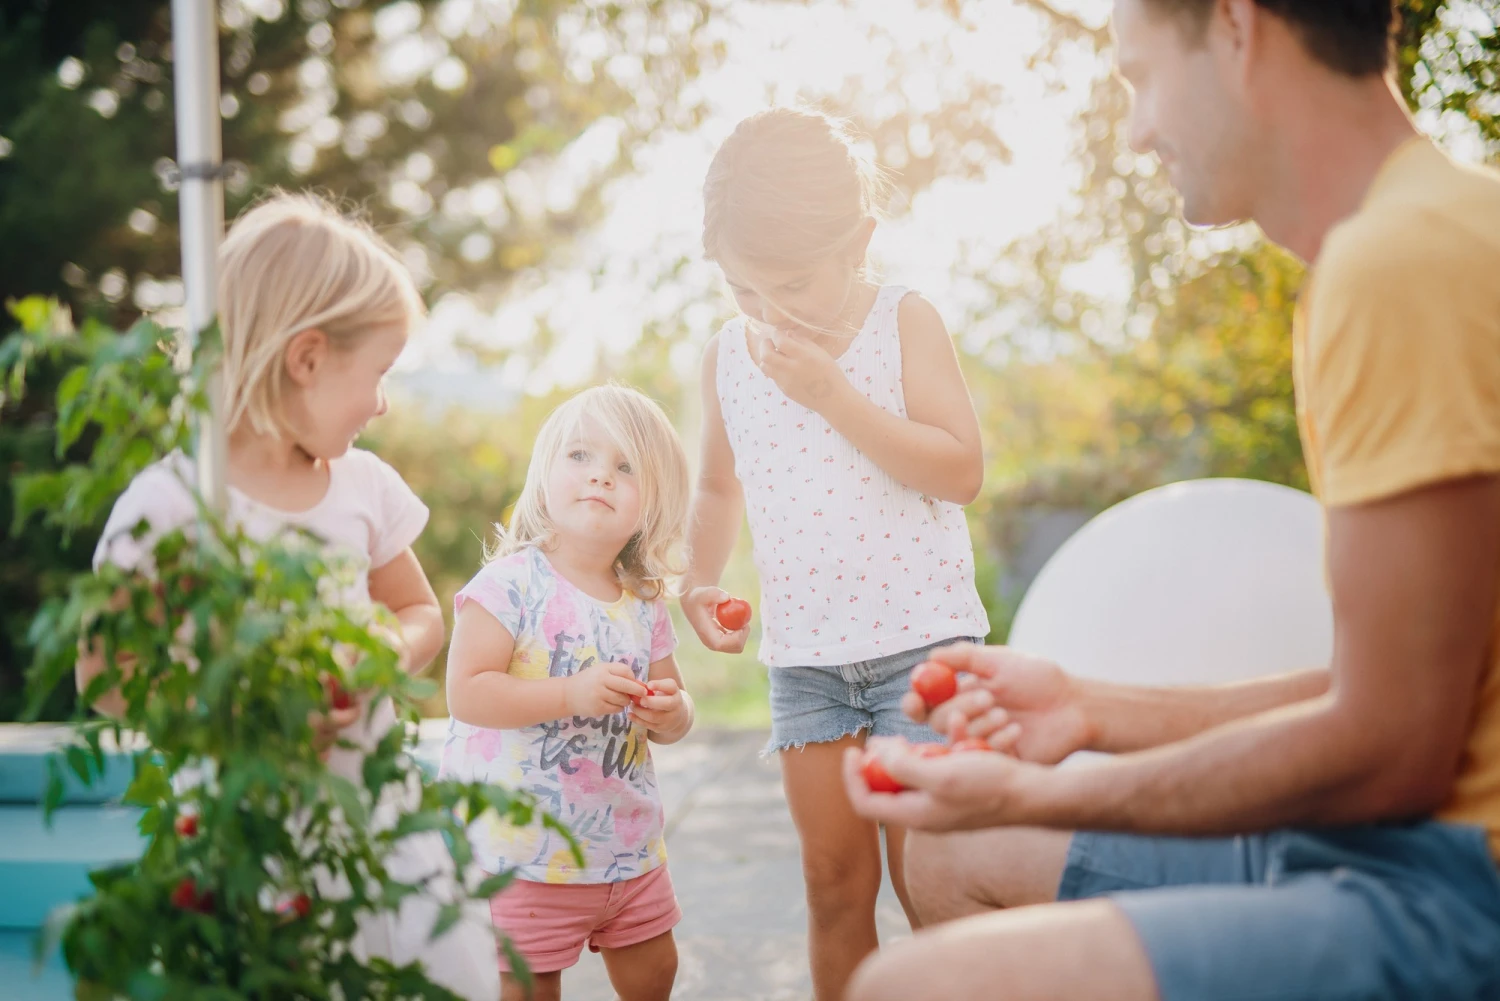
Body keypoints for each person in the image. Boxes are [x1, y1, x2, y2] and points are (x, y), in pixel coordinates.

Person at [840, 2, 1500, 1000]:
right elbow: (1416, 687)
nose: (1139, 127)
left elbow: (1390, 751)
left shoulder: (1396, 267)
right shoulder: (1432, 228)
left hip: (1450, 886)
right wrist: (1085, 707)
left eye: (1141, 76)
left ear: (1236, 29)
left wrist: (1040, 786)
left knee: (908, 985)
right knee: (945, 853)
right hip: (1402, 834)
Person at [80, 192, 498, 998]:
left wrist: (380, 652)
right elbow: (103, 673)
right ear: (306, 358)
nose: (382, 401)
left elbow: (420, 614)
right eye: (376, 373)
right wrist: (234, 710)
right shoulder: (171, 504)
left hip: (378, 820)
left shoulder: (363, 486)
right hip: (249, 834)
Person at [680, 106, 991, 1000]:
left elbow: (960, 469)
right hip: (807, 662)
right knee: (832, 885)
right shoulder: (728, 359)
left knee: (931, 880)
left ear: (860, 240)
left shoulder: (904, 321)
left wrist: (835, 398)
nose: (770, 314)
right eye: (744, 291)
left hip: (923, 652)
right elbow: (716, 487)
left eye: (792, 285)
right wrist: (701, 581)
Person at [440, 384, 695, 1001]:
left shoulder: (643, 600)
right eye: (580, 456)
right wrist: (569, 694)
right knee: (528, 989)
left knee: (655, 973)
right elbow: (467, 693)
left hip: (627, 847)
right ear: (544, 474)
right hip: (524, 852)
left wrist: (670, 711)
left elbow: (674, 709)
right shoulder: (510, 584)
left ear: (652, 500)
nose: (601, 477)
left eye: (625, 467)